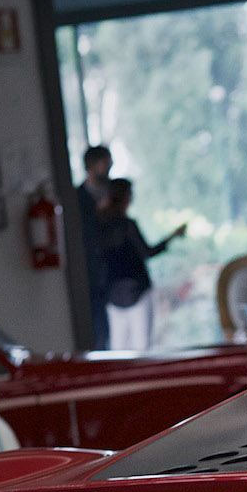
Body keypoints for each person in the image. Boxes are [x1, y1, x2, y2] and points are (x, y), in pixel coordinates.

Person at [96, 178, 185, 352]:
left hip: (113, 293)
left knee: (118, 349)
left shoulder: (100, 226)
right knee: (141, 348)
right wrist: (172, 237)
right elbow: (147, 252)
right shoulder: (126, 225)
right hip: (136, 291)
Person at [74, 146, 113, 350]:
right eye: (105, 163)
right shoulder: (77, 198)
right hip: (90, 273)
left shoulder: (113, 195)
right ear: (91, 165)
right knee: (98, 332)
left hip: (111, 274)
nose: (109, 167)